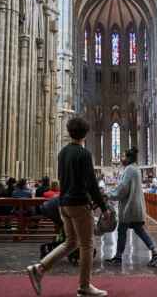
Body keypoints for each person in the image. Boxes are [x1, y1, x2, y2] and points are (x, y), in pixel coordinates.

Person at [27, 117, 110, 297]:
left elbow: (62, 178)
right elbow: (91, 184)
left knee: (71, 242)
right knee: (87, 244)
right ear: (85, 134)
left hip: (63, 204)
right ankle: (84, 286)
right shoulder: (84, 154)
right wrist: (104, 207)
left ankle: (40, 268)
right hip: (79, 204)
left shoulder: (62, 152)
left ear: (69, 132)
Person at [105, 148, 157, 267]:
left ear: (129, 158)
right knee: (137, 230)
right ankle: (154, 252)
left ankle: (119, 257)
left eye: (123, 156)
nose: (121, 159)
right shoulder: (134, 168)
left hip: (129, 207)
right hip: (133, 206)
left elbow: (123, 188)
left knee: (123, 230)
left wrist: (109, 195)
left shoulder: (130, 169)